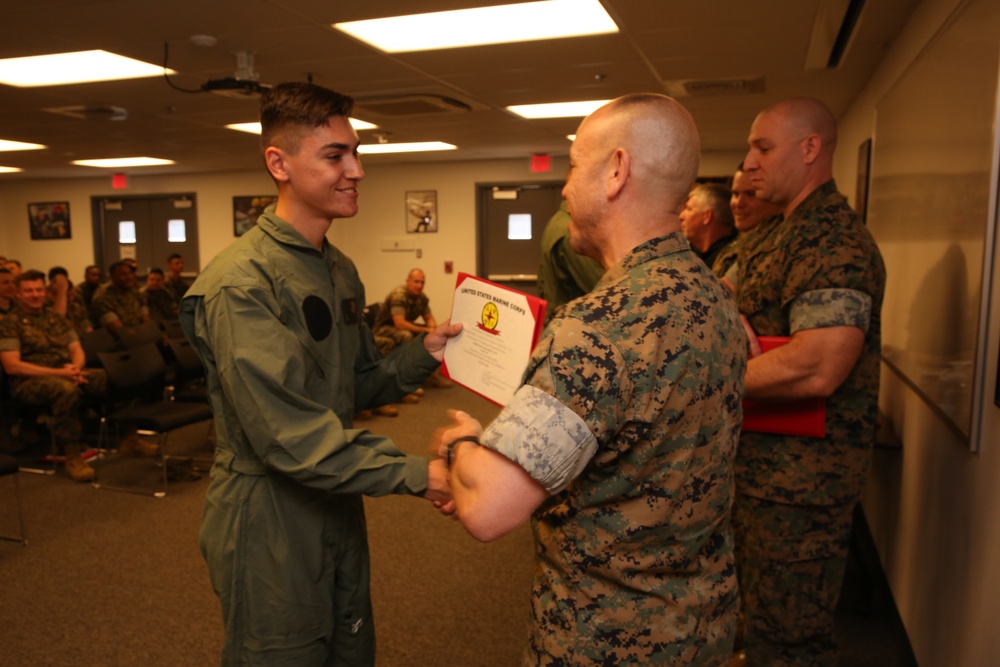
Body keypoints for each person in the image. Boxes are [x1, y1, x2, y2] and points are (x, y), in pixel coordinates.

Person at [433, 93, 747, 666]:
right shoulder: (716, 295)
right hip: (700, 629)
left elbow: (488, 508)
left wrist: (459, 442)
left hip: (607, 641)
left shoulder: (599, 327)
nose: (563, 187)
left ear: (616, 171)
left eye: (574, 165)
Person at [179, 81, 460, 666]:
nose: (356, 170)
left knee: (349, 646)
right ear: (278, 163)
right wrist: (420, 473)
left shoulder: (338, 269)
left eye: (355, 153)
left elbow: (353, 389)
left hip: (334, 492)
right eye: (335, 156)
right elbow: (290, 438)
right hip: (270, 514)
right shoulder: (242, 283)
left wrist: (425, 351)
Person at [733, 97, 885, 667]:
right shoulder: (777, 234)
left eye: (763, 148)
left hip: (801, 486)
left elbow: (819, 365)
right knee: (763, 620)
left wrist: (714, 377)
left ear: (810, 149)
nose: (749, 162)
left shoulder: (831, 239)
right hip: (761, 470)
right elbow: (726, 302)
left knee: (791, 641)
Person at [0, 270, 106, 482]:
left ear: (45, 292)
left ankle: (128, 436)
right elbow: (12, 366)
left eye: (39, 289)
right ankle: (72, 455)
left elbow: (77, 350)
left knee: (104, 376)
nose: (35, 294)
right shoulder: (10, 323)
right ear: (17, 294)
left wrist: (75, 369)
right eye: (28, 291)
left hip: (65, 372)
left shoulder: (56, 319)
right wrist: (62, 374)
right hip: (28, 381)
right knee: (65, 390)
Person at [537, 199, 605, 323]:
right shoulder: (570, 231)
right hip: (571, 324)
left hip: (561, 321)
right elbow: (604, 290)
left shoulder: (558, 222)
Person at [712, 164, 783, 282]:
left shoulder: (775, 247)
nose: (739, 203)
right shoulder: (735, 245)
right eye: (735, 194)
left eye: (751, 194)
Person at [679, 182, 737, 270]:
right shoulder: (688, 255)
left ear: (707, 216)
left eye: (689, 209)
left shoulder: (730, 259)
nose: (681, 216)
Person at [91, 260, 149, 336]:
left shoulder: (133, 288)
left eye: (130, 273)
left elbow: (144, 313)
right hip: (119, 340)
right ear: (112, 278)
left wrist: (150, 331)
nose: (129, 277)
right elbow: (118, 329)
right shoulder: (103, 295)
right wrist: (141, 334)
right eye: (123, 274)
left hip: (140, 334)